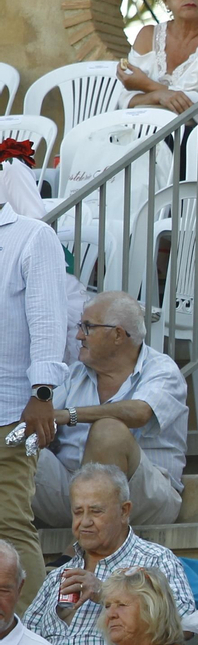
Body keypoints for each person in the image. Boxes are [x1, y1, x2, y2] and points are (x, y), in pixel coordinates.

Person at [22, 464, 194, 645]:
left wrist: (105, 594)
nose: (84, 522)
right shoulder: (58, 575)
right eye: (78, 512)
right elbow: (25, 640)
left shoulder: (154, 560)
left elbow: (183, 625)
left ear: (124, 511)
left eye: (95, 511)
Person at [34, 292, 188, 529]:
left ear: (117, 334)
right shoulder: (75, 374)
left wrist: (70, 415)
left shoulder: (162, 369)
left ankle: (80, 549)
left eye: (87, 327)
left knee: (109, 431)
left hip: (140, 498)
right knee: (11, 436)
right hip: (70, 492)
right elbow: (44, 419)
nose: (78, 336)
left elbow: (140, 412)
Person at [0, 193, 69, 609]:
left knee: (9, 523)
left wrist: (42, 393)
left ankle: (33, 632)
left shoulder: (32, 236)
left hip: (10, 410)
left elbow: (47, 320)